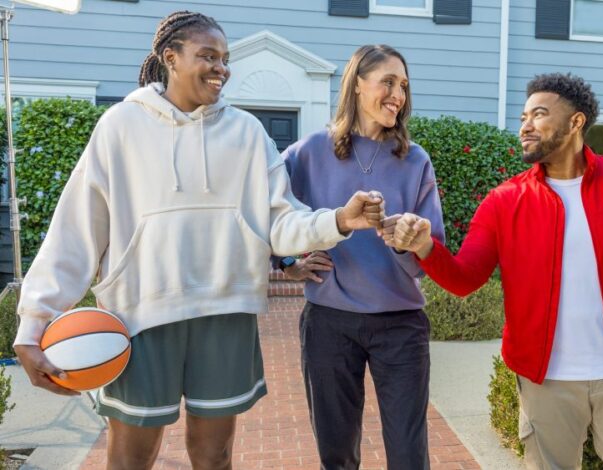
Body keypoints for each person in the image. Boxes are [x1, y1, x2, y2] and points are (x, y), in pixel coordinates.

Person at [13, 11, 383, 470]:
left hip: (225, 314)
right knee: (131, 458)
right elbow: (75, 231)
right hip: (139, 317)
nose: (221, 68)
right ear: (170, 57)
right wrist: (33, 325)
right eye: (208, 56)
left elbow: (281, 223)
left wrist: (339, 221)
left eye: (225, 59)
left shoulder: (248, 133)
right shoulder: (119, 126)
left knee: (215, 456)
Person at [383, 73, 603, 470]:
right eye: (522, 117)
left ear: (576, 122)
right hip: (544, 379)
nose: (525, 126)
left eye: (539, 114)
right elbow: (465, 279)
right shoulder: (504, 201)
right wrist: (424, 247)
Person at [274, 44, 444, 470]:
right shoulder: (308, 152)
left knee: (408, 455)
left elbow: (434, 249)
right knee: (336, 453)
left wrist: (408, 239)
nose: (398, 95)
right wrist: (287, 264)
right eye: (388, 82)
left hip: (400, 325)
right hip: (329, 323)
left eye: (404, 85)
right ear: (357, 85)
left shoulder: (416, 160)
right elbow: (268, 217)